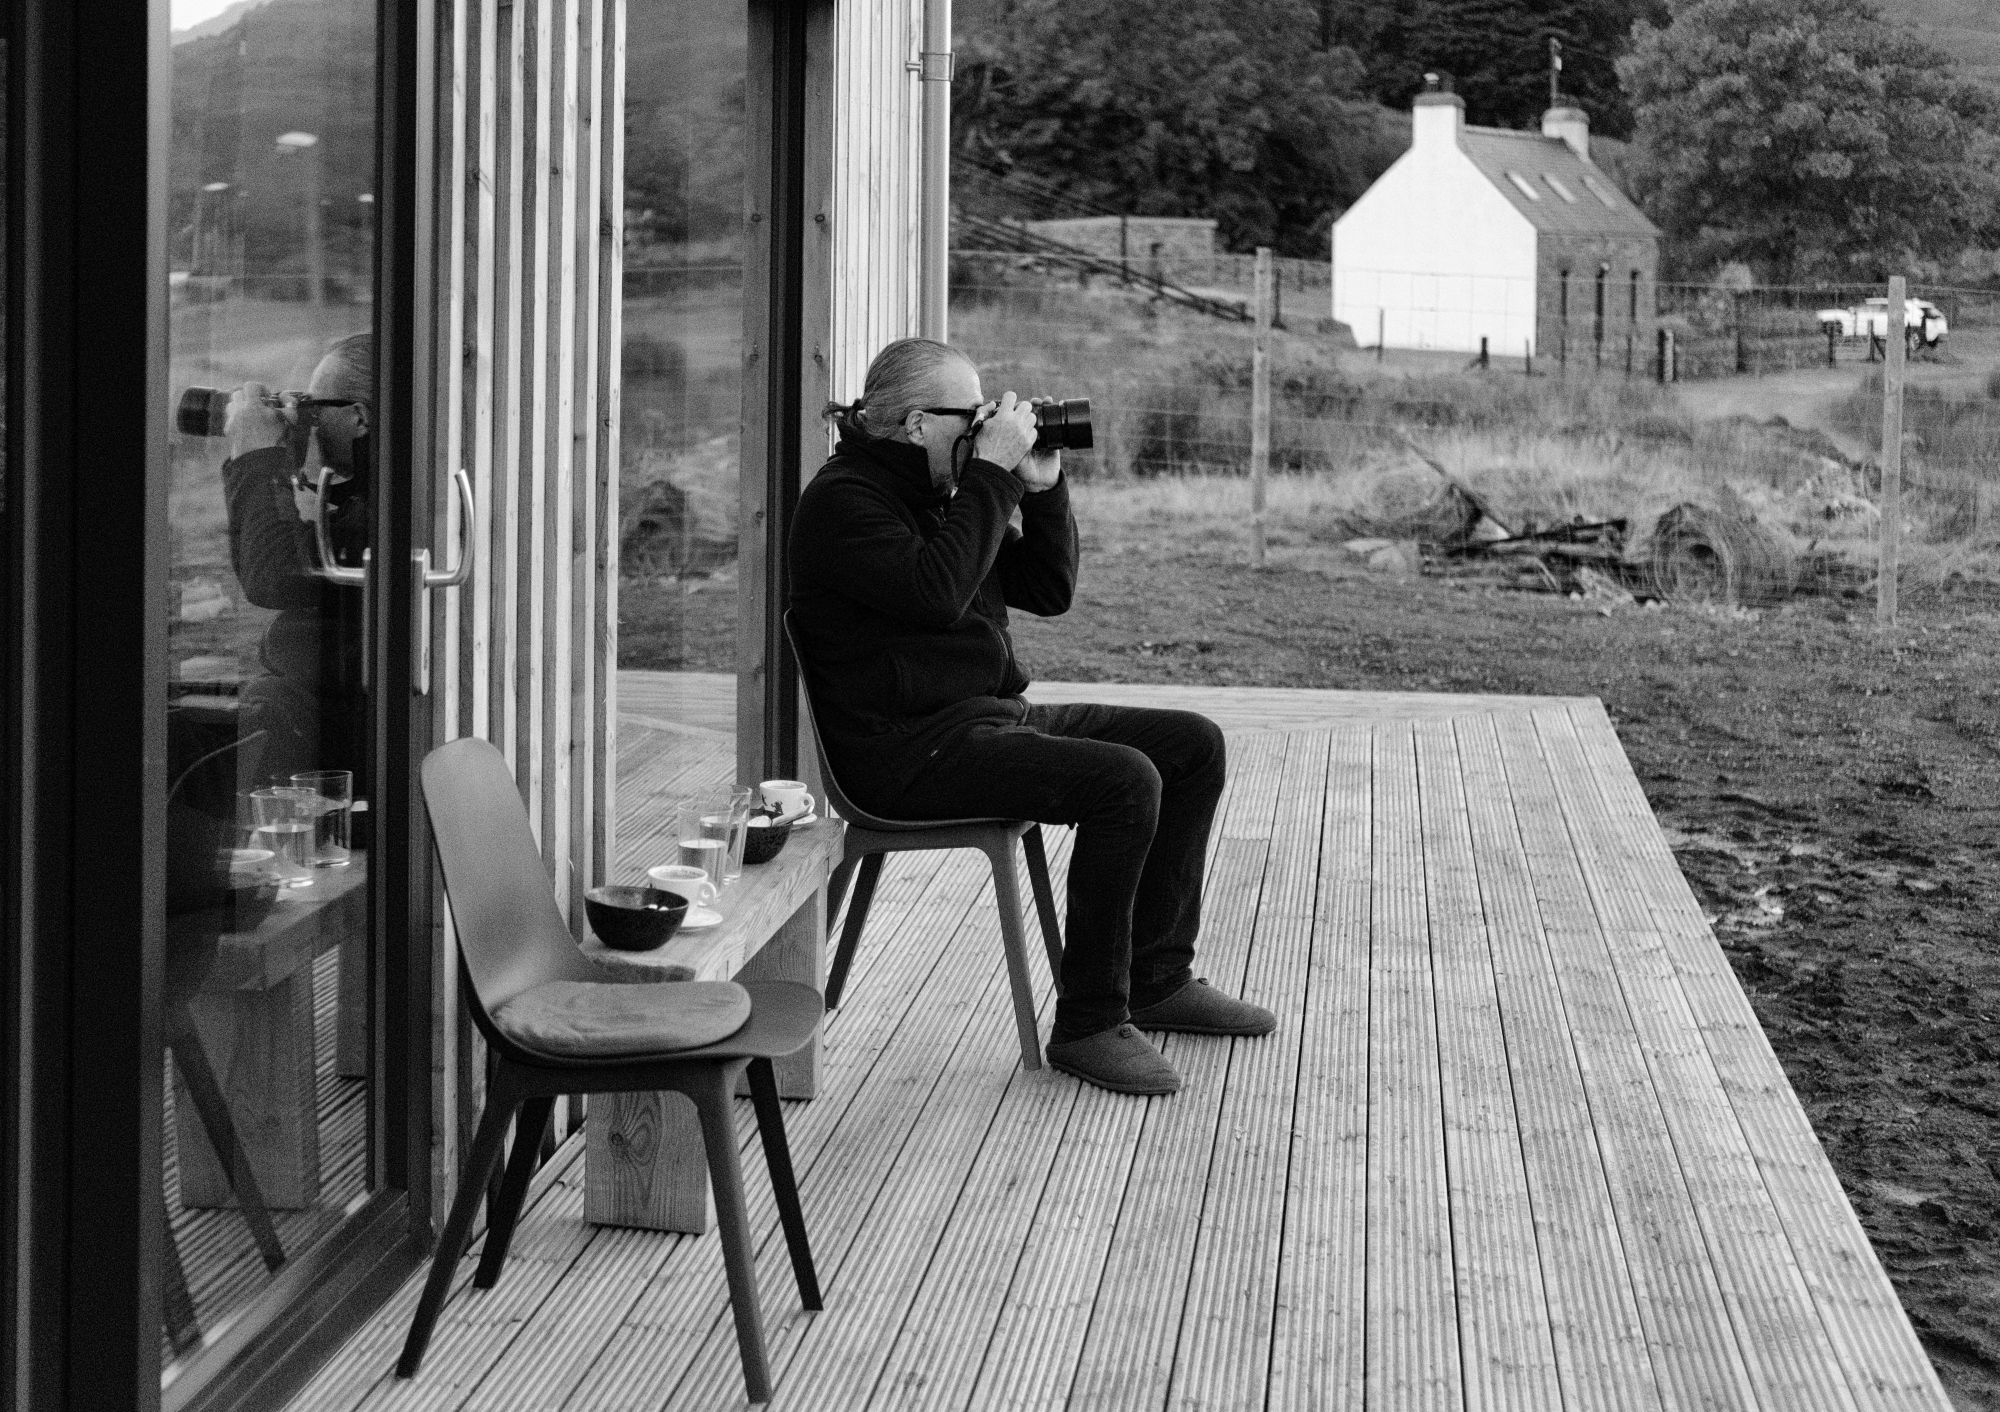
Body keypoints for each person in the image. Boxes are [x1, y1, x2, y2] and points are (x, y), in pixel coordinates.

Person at [788, 337, 1275, 1096]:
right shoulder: (844, 503)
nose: (990, 426)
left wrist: (1041, 489)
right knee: (1123, 781)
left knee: (1189, 744)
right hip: (905, 754)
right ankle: (1088, 1023)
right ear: (917, 423)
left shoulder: (942, 492)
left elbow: (1047, 589)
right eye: (974, 414)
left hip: (985, 721)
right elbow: (933, 593)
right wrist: (987, 477)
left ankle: (1156, 979)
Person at [221, 331, 374, 791]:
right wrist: (272, 463)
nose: (302, 418)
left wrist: (257, 457)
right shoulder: (370, 502)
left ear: (359, 417)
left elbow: (273, 577)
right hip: (319, 723)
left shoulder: (384, 513)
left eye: (313, 406)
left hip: (328, 739)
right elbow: (262, 564)